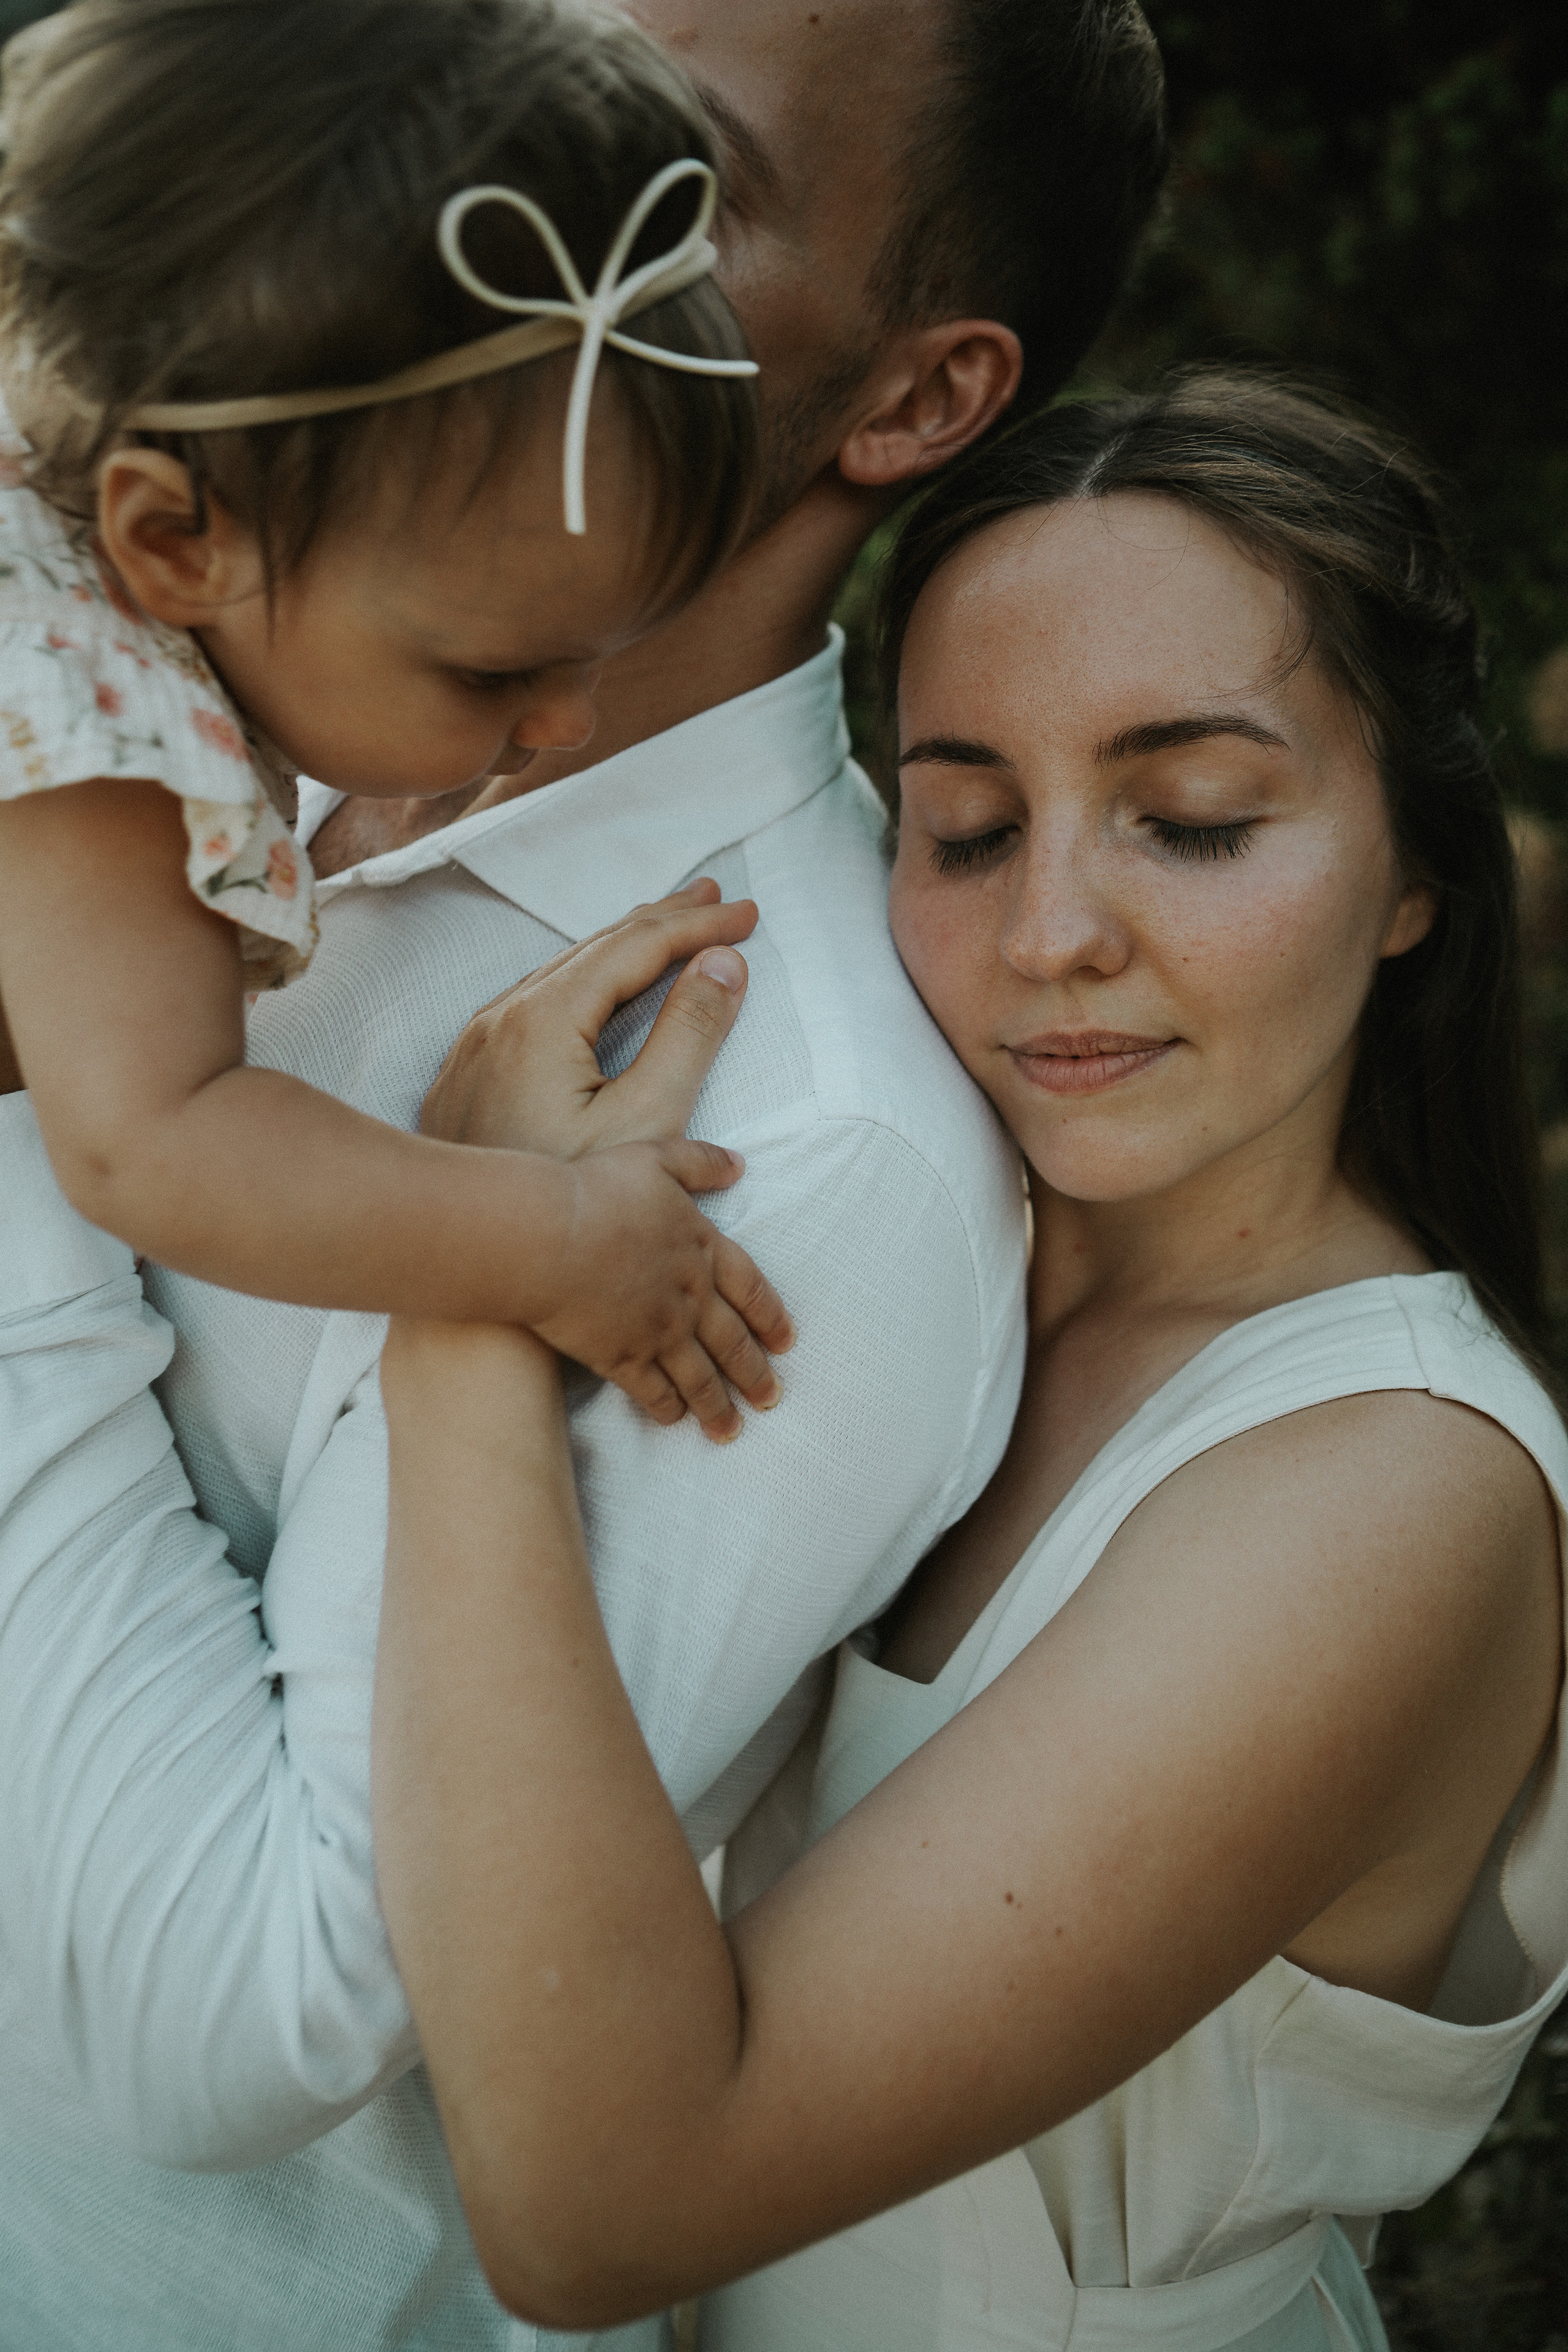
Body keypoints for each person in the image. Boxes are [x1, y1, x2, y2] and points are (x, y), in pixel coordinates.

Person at [0, 4, 1168, 2348]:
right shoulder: (158, 663)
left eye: (662, 182)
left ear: (916, 399)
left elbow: (229, 2018)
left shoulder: (787, 1139)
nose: (482, 206)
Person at [369, 374, 1568, 2352]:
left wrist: (462, 1303)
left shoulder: (1397, 1492)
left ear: (1414, 877)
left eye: (1189, 823)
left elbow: (602, 2203)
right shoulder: (899, 1240)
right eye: (969, 825)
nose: (1052, 931)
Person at [0, 0, 795, 1439]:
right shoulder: (84, 714)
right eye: (489, 673)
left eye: (597, 653)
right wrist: (554, 1240)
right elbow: (159, 1143)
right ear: (177, 541)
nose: (562, 721)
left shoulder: (88, 549)